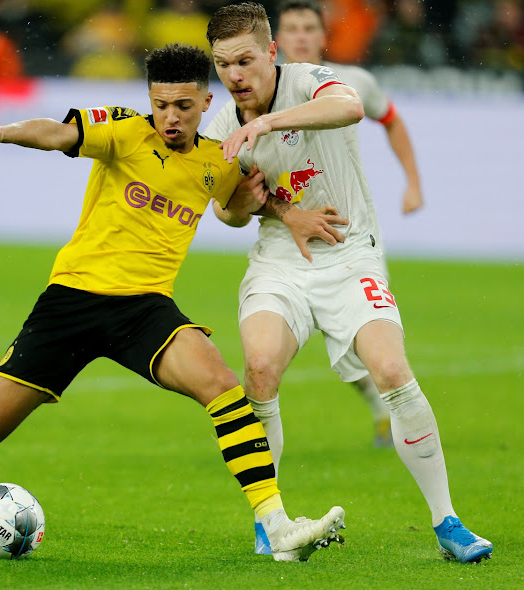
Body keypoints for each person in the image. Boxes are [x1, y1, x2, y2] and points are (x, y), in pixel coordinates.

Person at [0, 43, 346, 563]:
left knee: (223, 386)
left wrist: (287, 212)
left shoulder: (219, 161)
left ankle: (276, 526)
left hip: (144, 310)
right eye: (161, 104)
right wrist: (4, 133)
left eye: (184, 107)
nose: (170, 117)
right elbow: (57, 133)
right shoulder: (121, 130)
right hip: (71, 301)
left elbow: (240, 201)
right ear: (149, 99)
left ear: (206, 102)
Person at [202, 3, 493, 563]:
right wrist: (259, 201)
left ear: (270, 53)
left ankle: (447, 521)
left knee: (391, 370)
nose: (234, 76)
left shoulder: (310, 80)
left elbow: (350, 107)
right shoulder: (221, 126)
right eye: (222, 65)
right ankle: (272, 523)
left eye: (244, 61)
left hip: (349, 253)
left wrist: (266, 123)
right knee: (259, 369)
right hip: (278, 264)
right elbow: (229, 215)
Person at [274, 0, 426, 448]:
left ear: (324, 37)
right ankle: (383, 407)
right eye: (291, 29)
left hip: (352, 233)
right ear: (276, 41)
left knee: (363, 338)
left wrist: (412, 183)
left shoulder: (353, 82)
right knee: (299, 340)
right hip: (290, 234)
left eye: (309, 29)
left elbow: (392, 121)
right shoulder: (260, 92)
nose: (301, 36)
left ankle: (398, 413)